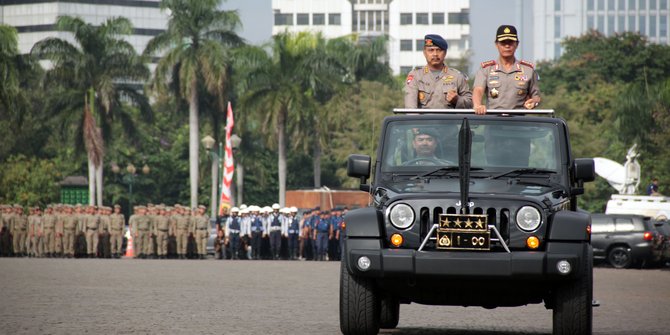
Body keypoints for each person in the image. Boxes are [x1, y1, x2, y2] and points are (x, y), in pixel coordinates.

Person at [473, 25, 541, 115]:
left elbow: (536, 96)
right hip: (493, 121)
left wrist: (534, 102)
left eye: (510, 42)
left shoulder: (528, 70)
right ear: (496, 45)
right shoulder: (486, 69)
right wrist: (477, 105)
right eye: (503, 42)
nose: (507, 46)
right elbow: (478, 90)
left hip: (519, 122)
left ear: (517, 44)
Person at [404, 34, 472, 109]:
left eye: (439, 50)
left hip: (449, 120)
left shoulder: (457, 76)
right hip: (423, 120)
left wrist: (458, 100)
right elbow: (410, 108)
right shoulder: (416, 76)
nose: (435, 54)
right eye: (431, 50)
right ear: (424, 53)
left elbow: (471, 103)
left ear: (445, 53)